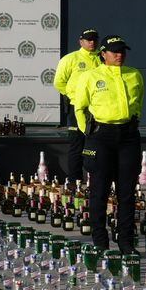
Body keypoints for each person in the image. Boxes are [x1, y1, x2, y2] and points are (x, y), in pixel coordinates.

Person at [67, 36, 143, 254]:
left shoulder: (134, 74)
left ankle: (126, 242)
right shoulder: (90, 76)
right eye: (114, 51)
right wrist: (87, 132)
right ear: (103, 54)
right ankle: (100, 241)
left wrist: (133, 119)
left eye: (122, 51)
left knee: (127, 192)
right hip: (101, 136)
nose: (119, 55)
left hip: (128, 136)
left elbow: (139, 102)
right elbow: (79, 107)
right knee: (99, 191)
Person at [53, 28, 101, 180]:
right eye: (88, 39)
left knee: (97, 145)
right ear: (81, 41)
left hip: (98, 108)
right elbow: (59, 83)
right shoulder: (70, 59)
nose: (92, 42)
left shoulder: (102, 58)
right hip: (76, 108)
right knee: (77, 145)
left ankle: (98, 180)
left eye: (94, 39)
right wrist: (76, 97)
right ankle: (75, 182)